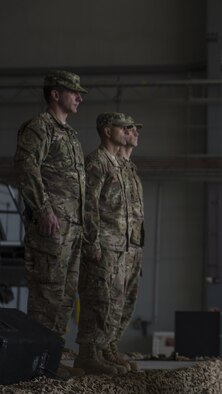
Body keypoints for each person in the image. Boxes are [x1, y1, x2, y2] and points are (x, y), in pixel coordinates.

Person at [14, 70, 87, 378]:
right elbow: (26, 167)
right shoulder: (39, 128)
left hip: (72, 230)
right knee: (47, 298)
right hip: (51, 228)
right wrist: (43, 209)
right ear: (55, 94)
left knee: (64, 299)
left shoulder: (70, 135)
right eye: (74, 92)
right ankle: (36, 366)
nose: (79, 97)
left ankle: (51, 362)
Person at [74, 112, 132, 375]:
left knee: (111, 301)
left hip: (117, 245)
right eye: (122, 128)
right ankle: (87, 354)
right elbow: (89, 205)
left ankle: (99, 351)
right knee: (96, 298)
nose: (127, 132)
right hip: (103, 243)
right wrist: (92, 241)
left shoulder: (116, 164)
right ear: (108, 131)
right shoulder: (97, 162)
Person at [110, 115, 145, 371]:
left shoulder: (131, 169)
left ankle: (111, 347)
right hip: (115, 244)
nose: (135, 133)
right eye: (130, 129)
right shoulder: (112, 166)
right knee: (111, 299)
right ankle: (102, 349)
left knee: (127, 301)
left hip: (133, 245)